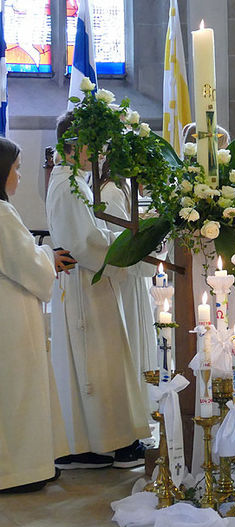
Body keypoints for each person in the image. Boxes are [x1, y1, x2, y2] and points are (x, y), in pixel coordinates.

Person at [46, 113, 151, 469]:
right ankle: (113, 443)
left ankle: (95, 442)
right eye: (95, 142)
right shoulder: (66, 184)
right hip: (85, 287)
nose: (101, 151)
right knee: (100, 365)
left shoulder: (76, 180)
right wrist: (131, 247)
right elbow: (85, 241)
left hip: (93, 282)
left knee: (102, 363)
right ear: (72, 145)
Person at [0, 138, 72, 493]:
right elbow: (25, 263)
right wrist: (49, 257)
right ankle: (19, 471)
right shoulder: (1, 213)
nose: (19, 177)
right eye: (16, 169)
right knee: (17, 389)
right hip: (10, 314)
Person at [99, 161, 158, 383]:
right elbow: (124, 242)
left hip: (132, 279)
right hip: (125, 278)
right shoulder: (112, 192)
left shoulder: (120, 187)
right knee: (132, 337)